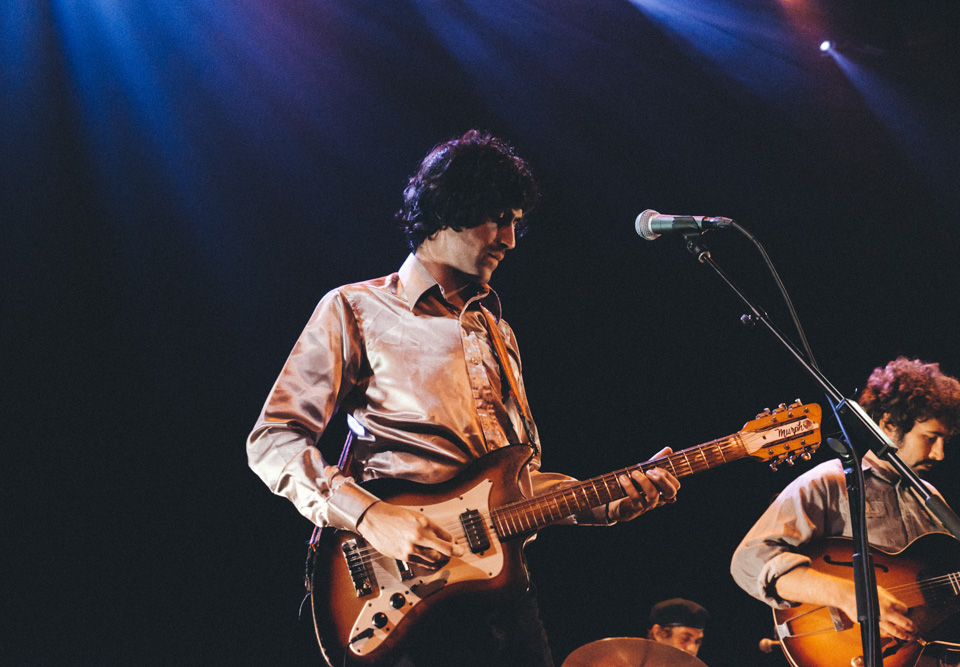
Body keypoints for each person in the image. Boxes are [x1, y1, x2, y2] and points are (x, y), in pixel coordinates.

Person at [247, 129, 681, 666]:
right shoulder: (356, 309)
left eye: (516, 222)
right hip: (405, 595)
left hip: (503, 596)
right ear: (446, 210)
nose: (510, 239)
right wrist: (371, 515)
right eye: (498, 219)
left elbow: (515, 485)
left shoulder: (497, 332)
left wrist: (606, 501)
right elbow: (273, 439)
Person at [731, 357, 960, 645]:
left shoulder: (930, 497)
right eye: (930, 438)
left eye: (944, 441)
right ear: (888, 424)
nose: (939, 454)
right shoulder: (828, 482)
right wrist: (849, 595)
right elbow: (748, 562)